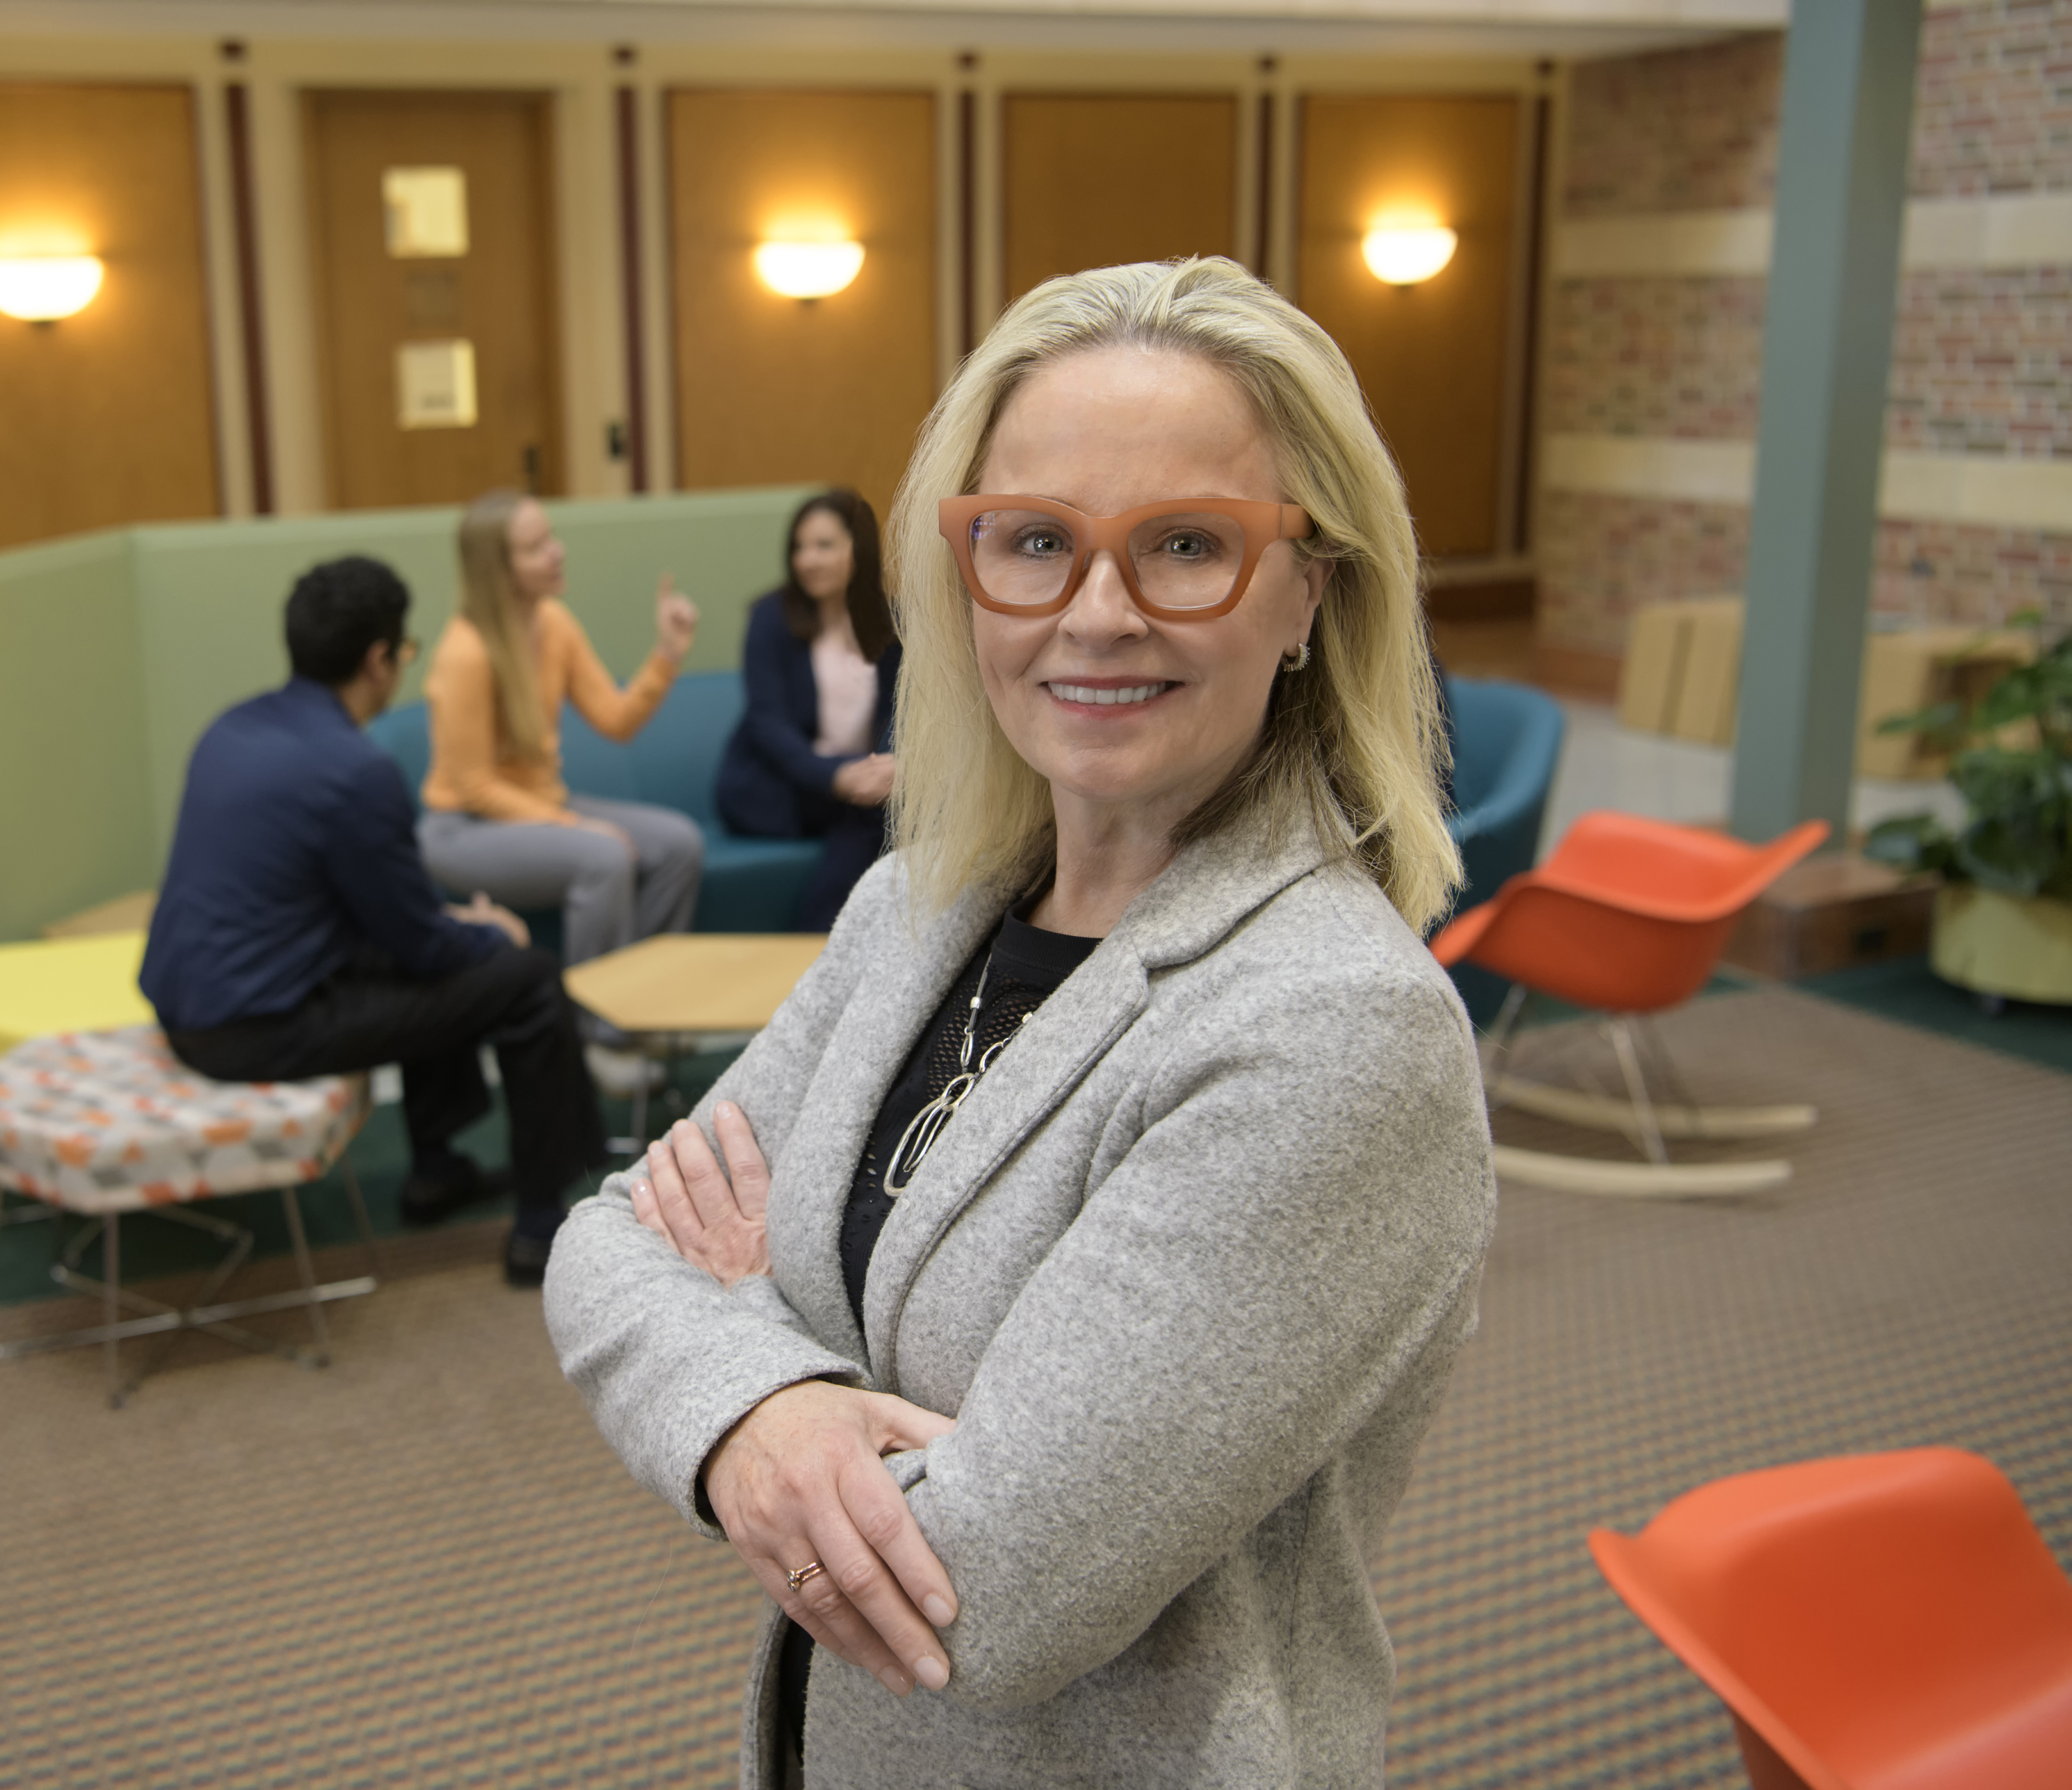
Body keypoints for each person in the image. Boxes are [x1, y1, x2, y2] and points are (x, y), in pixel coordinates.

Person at [543, 257, 1495, 1786]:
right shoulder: (918, 905)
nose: (1096, 613)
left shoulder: (1334, 1029)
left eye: (1187, 543)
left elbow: (980, 1592)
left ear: (1311, 586)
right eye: (1034, 542)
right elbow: (601, 1241)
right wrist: (784, 1412)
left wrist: (738, 1336)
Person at [140, 555, 605, 1289]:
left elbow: (386, 917)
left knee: (440, 960)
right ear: (380, 659)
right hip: (253, 1025)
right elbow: (420, 942)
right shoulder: (355, 770)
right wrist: (493, 931)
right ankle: (541, 1223)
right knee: (529, 980)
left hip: (185, 999)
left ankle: (434, 1171)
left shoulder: (231, 727)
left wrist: (452, 926)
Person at [416, 489, 704, 1086]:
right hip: (462, 829)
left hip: (540, 808)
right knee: (602, 857)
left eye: (551, 538)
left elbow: (616, 721)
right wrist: (576, 827)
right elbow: (472, 787)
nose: (557, 552)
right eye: (536, 547)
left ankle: (637, 1012)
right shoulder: (464, 654)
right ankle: (593, 1038)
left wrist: (667, 654)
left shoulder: (553, 623)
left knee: (679, 843)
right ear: (501, 570)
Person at [715, 489, 903, 931]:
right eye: (799, 548)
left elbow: (906, 710)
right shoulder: (770, 618)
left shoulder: (894, 622)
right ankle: (818, 934)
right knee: (874, 817)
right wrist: (835, 777)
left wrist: (892, 767)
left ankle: (826, 940)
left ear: (860, 548)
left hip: (863, 782)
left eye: (824, 546)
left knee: (890, 810)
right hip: (774, 785)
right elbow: (768, 725)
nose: (808, 560)